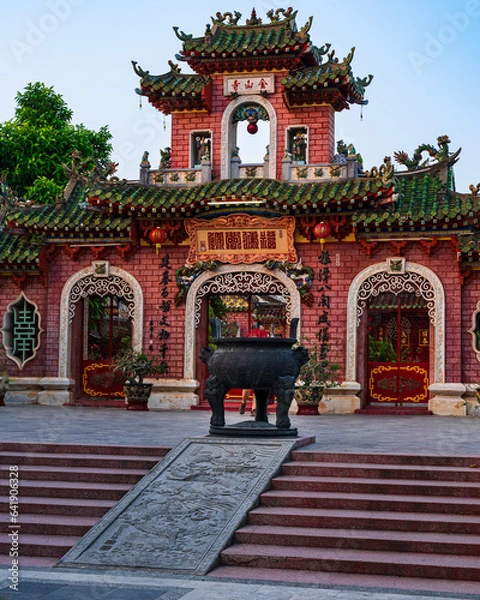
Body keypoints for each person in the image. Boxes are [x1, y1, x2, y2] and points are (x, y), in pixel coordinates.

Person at [239, 324, 268, 416]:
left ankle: (254, 409)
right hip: (250, 364)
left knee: (257, 387)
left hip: (260, 364)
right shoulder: (249, 339)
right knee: (247, 387)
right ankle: (243, 402)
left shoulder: (264, 340)